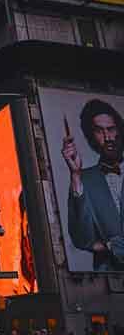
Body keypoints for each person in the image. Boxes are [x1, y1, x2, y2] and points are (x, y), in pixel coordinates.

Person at [62, 99, 124, 271]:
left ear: (120, 129)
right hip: (111, 283)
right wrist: (75, 174)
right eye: (99, 131)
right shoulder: (84, 179)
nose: (107, 137)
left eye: (111, 129)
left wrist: (111, 246)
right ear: (91, 137)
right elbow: (82, 239)